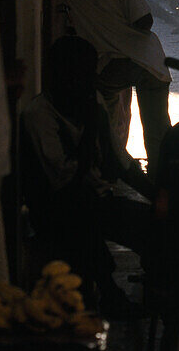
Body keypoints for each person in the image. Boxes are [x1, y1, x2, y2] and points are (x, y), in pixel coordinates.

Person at [20, 36, 152, 317]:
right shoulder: (38, 115)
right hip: (53, 207)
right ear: (60, 77)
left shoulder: (91, 101)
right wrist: (91, 131)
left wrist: (158, 194)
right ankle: (109, 292)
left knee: (153, 224)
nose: (89, 82)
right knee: (81, 214)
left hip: (95, 199)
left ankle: (157, 289)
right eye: (80, 75)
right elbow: (63, 178)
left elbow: (119, 160)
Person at [65, 0, 171, 178]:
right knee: (156, 126)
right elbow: (143, 20)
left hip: (101, 66)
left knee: (110, 127)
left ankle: (111, 170)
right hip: (141, 62)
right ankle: (160, 175)